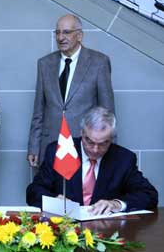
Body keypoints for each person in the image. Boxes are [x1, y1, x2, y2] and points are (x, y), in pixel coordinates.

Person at [26, 107, 158, 215]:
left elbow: (149, 195)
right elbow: (33, 191)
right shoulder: (59, 151)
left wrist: (116, 204)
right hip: (64, 228)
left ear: (111, 138)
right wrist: (54, 201)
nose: (95, 150)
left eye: (103, 144)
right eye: (89, 141)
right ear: (82, 133)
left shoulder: (123, 159)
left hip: (106, 231)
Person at [27, 14, 115, 167]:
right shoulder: (44, 64)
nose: (61, 37)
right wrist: (34, 146)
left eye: (66, 32)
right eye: (58, 32)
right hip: (50, 145)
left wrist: (109, 150)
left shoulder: (99, 62)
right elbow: (39, 111)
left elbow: (107, 112)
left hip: (85, 145)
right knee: (50, 190)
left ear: (79, 35)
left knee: (82, 191)